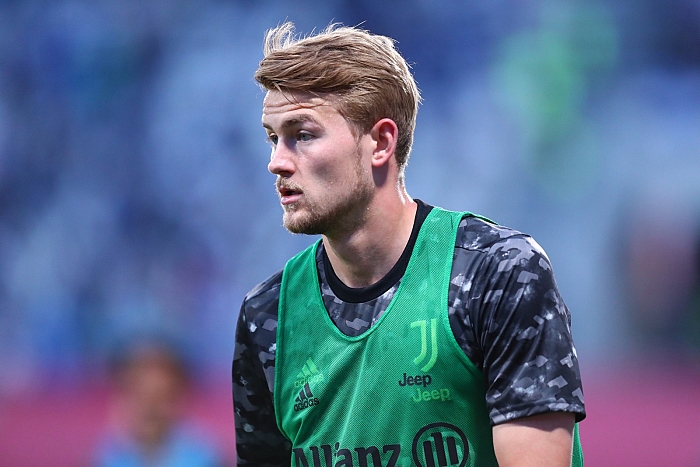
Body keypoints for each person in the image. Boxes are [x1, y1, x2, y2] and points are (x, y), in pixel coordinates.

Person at [232, 22, 585, 467]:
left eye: (302, 134)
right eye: (273, 138)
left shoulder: (499, 274)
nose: (276, 162)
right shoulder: (267, 317)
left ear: (381, 142)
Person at [94, 340, 224, 467]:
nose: (150, 410)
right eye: (141, 397)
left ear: (181, 399)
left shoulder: (205, 458)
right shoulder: (105, 457)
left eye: (161, 398)